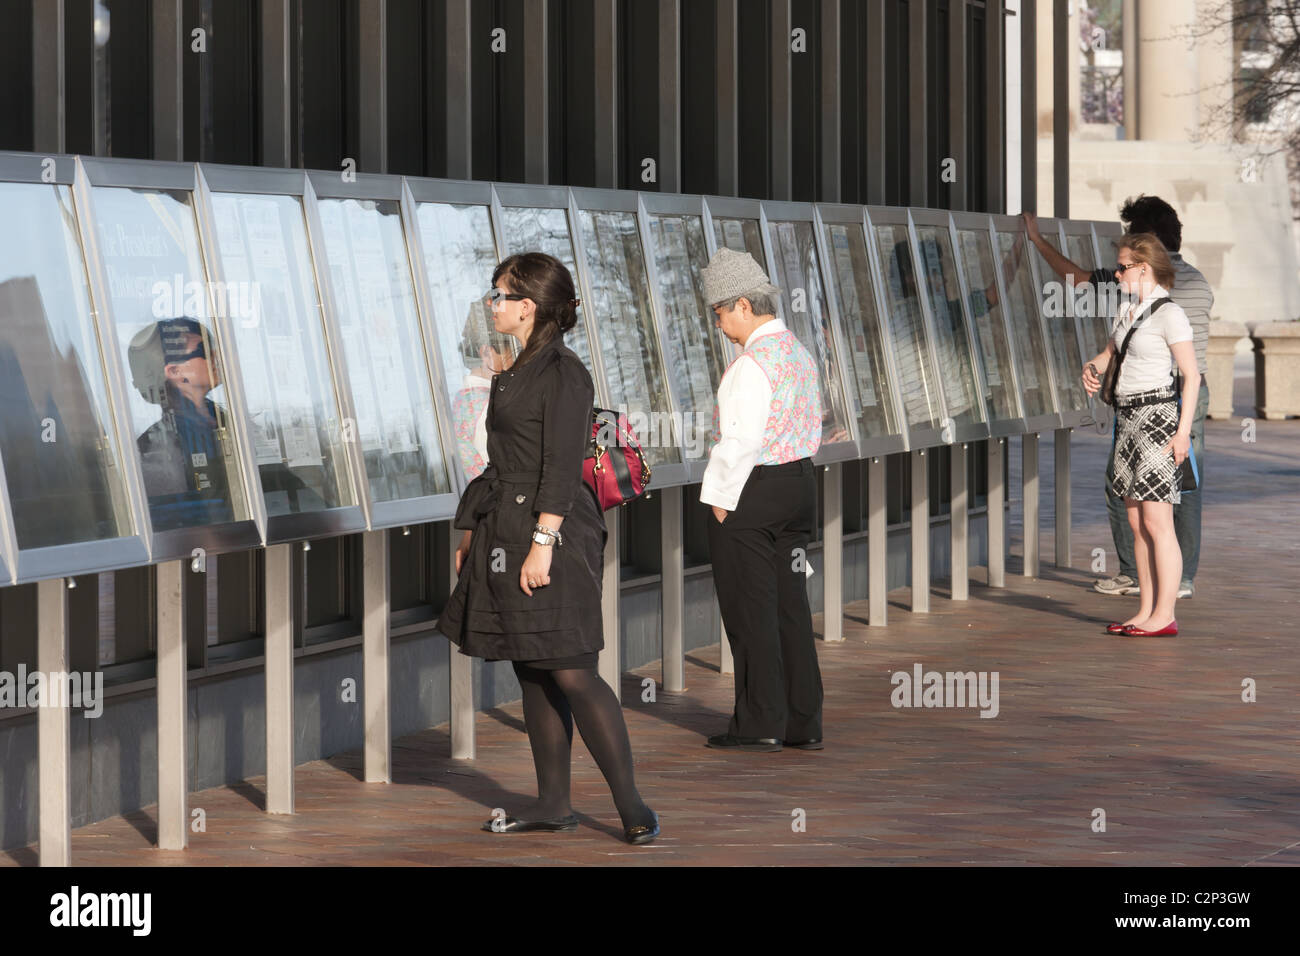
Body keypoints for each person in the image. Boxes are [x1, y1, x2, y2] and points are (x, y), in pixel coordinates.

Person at [435, 252, 659, 845]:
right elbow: (501, 463)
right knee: (532, 667)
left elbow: (561, 468)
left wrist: (542, 545)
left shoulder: (563, 371)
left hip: (550, 531)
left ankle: (633, 806)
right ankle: (552, 803)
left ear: (528, 306)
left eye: (500, 295)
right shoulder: (514, 369)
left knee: (572, 668)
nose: (493, 305)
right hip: (504, 530)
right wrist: (468, 532)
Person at [1023, 196, 1213, 599]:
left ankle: (1135, 575)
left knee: (1126, 490)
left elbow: (1074, 279)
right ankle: (1181, 580)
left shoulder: (1143, 292)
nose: (1119, 266)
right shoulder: (1197, 281)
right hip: (1187, 395)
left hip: (1159, 400)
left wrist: (1037, 241)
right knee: (1185, 489)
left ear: (1148, 247)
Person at [700, 248, 824, 752]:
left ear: (743, 306)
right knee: (790, 607)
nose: (719, 324)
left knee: (751, 610)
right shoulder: (799, 352)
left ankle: (759, 722)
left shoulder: (751, 364)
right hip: (798, 485)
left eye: (720, 312)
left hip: (753, 491)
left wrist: (719, 501)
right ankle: (803, 720)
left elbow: (740, 439)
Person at [1081, 234, 1199, 637]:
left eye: (1122, 266)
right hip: (1127, 418)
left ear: (1143, 268)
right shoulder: (1128, 307)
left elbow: (1192, 376)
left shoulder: (1170, 313)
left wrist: (1183, 433)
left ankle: (1165, 614)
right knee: (1135, 520)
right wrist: (1095, 364)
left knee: (1157, 518)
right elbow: (1115, 349)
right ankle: (1145, 609)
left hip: (1157, 418)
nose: (1117, 273)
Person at [127, 316, 236, 530]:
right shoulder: (157, 445)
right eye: (204, 351)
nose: (216, 357)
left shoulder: (226, 421)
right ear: (175, 372)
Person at [451, 303, 516, 481]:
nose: (513, 365)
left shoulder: (463, 401)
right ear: (486, 352)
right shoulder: (490, 405)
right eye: (509, 356)